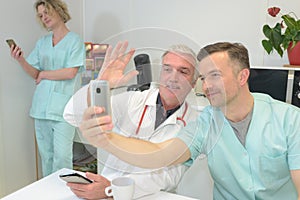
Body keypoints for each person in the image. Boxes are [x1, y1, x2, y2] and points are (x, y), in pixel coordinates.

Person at [79, 42, 300, 199]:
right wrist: (106, 140)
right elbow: (160, 154)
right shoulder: (205, 122)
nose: (206, 85)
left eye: (215, 75)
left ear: (242, 76)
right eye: (204, 78)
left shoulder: (289, 119)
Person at [63, 41, 212, 199]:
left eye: (183, 72)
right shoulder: (133, 100)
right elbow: (71, 115)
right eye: (167, 69)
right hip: (101, 188)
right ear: (161, 73)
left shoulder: (195, 122)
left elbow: (168, 175)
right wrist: (100, 84)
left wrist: (114, 189)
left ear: (193, 82)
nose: (173, 77)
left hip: (150, 196)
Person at [9, 0, 85, 176]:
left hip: (63, 110)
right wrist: (20, 60)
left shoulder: (74, 41)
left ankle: (64, 193)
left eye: (46, 12)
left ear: (58, 10)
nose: (44, 18)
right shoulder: (42, 42)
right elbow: (35, 73)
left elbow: (70, 72)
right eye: (41, 16)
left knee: (62, 158)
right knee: (47, 158)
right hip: (41, 109)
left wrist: (44, 74)